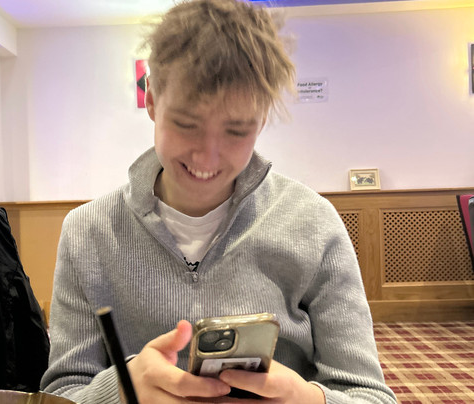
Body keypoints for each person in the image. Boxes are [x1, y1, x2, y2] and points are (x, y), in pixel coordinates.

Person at [40, 0, 397, 403]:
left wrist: (307, 398)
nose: (207, 157)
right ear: (152, 100)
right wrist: (118, 391)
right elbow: (61, 393)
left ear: (262, 119)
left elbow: (372, 396)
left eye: (236, 131)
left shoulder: (314, 224)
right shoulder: (88, 232)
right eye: (186, 124)